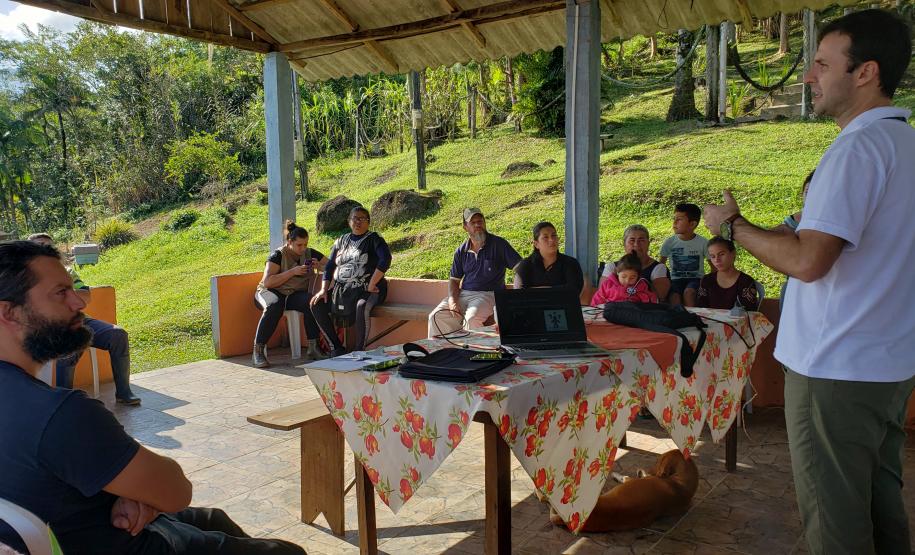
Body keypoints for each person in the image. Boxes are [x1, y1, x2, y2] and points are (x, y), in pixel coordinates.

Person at [702, 10, 914, 554]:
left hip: (834, 370)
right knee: (878, 505)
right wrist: (755, 227)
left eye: (821, 63)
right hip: (885, 365)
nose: (808, 76)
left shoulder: (856, 150)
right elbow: (811, 235)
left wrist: (733, 225)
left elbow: (808, 260)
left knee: (835, 525)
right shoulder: (903, 146)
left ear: (865, 71)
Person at [0, 240, 304, 554]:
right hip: (123, 541)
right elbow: (176, 491)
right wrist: (145, 496)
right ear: (8, 312)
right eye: (60, 292)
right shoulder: (61, 415)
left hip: (69, 526)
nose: (78, 302)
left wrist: (138, 496)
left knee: (214, 518)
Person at [28, 233, 141, 406]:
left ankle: (124, 392)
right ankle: (64, 401)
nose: (45, 250)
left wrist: (59, 290)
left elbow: (86, 296)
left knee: (118, 335)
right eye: (39, 246)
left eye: (48, 246)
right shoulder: (25, 277)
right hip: (51, 326)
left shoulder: (67, 272)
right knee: (69, 346)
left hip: (81, 321)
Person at [428, 208, 521, 337]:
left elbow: (521, 268)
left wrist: (518, 294)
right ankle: (443, 353)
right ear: (465, 227)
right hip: (464, 294)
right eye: (473, 222)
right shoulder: (461, 251)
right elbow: (454, 281)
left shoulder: (499, 244)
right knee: (435, 317)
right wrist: (453, 302)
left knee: (471, 319)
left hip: (488, 295)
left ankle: (473, 353)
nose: (478, 225)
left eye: (480, 221)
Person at [311, 206, 391, 357]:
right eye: (355, 218)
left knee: (362, 306)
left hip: (370, 289)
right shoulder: (341, 241)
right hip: (343, 290)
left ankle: (359, 350)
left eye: (362, 219)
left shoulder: (374, 239)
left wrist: (372, 283)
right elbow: (329, 266)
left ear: (368, 222)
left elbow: (385, 259)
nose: (358, 222)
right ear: (349, 221)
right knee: (317, 303)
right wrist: (323, 290)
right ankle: (336, 347)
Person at [252, 220, 328, 368]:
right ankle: (258, 351)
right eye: (299, 245)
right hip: (268, 292)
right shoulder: (277, 255)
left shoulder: (310, 253)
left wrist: (319, 266)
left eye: (305, 244)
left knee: (313, 301)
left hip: (292, 295)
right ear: (289, 242)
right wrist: (292, 272)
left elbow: (332, 266)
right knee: (274, 306)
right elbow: (267, 282)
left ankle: (313, 348)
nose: (303, 248)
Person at [598, 225, 671, 302]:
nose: (636, 244)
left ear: (648, 244)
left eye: (641, 240)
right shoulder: (612, 267)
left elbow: (660, 296)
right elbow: (602, 294)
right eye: (632, 240)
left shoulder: (658, 268)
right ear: (624, 244)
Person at [658, 203, 708, 307]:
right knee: (674, 296)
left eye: (679, 219)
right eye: (674, 218)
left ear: (692, 224)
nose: (674, 222)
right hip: (675, 280)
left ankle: (692, 319)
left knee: (689, 293)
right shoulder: (669, 242)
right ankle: (678, 318)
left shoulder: (703, 243)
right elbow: (660, 266)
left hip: (696, 279)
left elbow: (713, 267)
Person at [512, 221, 583, 293]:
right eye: (545, 237)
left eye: (554, 235)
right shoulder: (526, 265)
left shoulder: (570, 263)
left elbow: (574, 290)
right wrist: (556, 289)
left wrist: (543, 289)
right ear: (536, 244)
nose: (551, 240)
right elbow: (520, 294)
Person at [695, 237, 759, 311]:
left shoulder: (746, 282)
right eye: (712, 256)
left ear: (733, 253)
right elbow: (701, 310)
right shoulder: (707, 280)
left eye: (721, 254)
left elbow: (749, 313)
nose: (717, 260)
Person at [591, 251, 657, 306]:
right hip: (610, 313)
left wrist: (641, 296)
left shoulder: (641, 285)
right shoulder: (608, 285)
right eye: (623, 277)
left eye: (632, 278)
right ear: (617, 272)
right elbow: (597, 300)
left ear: (638, 276)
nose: (627, 281)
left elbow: (650, 301)